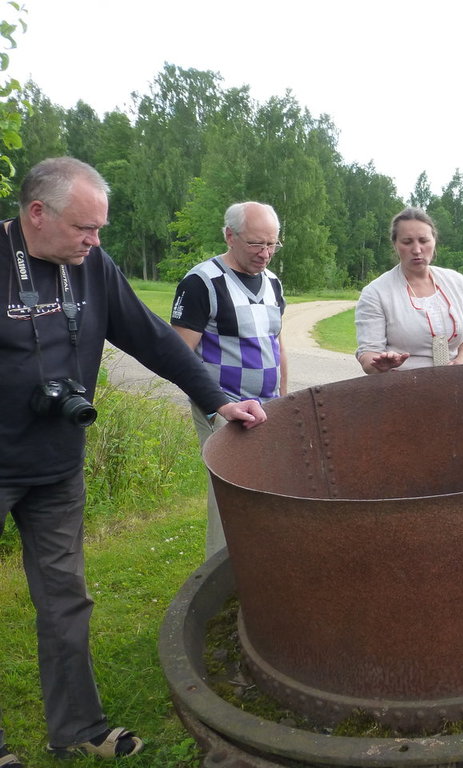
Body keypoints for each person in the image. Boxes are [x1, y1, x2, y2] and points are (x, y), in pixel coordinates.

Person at [0, 158, 266, 767]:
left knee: (66, 600)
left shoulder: (92, 267)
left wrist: (218, 400)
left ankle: (77, 727)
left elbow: (153, 339)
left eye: (100, 229)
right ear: (37, 213)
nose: (95, 242)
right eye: (84, 228)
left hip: (56, 467)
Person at [171, 201, 286, 559]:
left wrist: (284, 399)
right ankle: (222, 576)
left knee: (268, 490)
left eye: (272, 244)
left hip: (268, 408)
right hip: (225, 407)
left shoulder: (273, 282)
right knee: (229, 498)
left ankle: (262, 564)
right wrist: (215, 404)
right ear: (229, 236)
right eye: (256, 244)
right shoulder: (201, 282)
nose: (265, 253)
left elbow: (277, 344)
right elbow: (178, 355)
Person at [355, 207, 463, 372]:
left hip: (454, 382)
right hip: (402, 384)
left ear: (434, 241)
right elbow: (368, 353)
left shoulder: (457, 282)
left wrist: (460, 363)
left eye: (423, 240)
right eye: (407, 242)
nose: (417, 249)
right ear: (395, 245)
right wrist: (379, 365)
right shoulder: (376, 293)